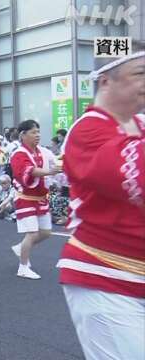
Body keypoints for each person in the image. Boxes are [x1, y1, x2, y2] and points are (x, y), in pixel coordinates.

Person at [56, 46, 145, 360]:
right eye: (140, 73)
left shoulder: (142, 125)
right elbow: (134, 174)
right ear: (106, 81)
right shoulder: (87, 130)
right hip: (104, 272)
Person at [9, 120, 61, 280]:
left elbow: (56, 161)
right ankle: (23, 268)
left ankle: (20, 248)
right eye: (33, 132)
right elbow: (28, 171)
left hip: (40, 198)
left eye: (38, 132)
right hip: (25, 198)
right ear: (23, 135)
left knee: (46, 232)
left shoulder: (43, 151)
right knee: (31, 233)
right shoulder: (19, 154)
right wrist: (49, 172)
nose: (37, 135)